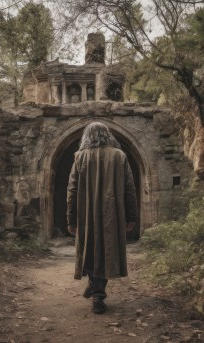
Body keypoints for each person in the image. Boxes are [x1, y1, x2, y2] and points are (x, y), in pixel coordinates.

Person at [66, 122, 138, 314]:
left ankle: (95, 286)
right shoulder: (119, 156)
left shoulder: (79, 157)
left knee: (90, 247)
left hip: (87, 214)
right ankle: (98, 292)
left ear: (86, 137)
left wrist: (71, 219)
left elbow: (71, 190)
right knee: (106, 250)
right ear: (108, 135)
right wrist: (131, 217)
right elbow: (130, 189)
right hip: (111, 214)